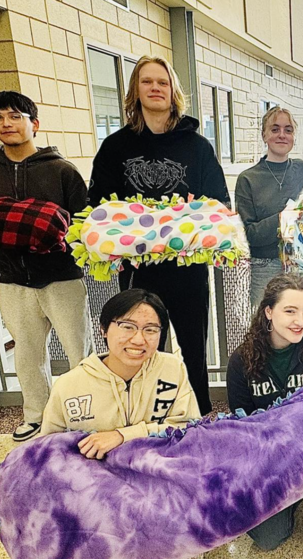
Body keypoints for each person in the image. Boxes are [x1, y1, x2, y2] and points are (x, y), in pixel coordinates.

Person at [88, 56, 230, 415]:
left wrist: (193, 221)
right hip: (139, 272)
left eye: (162, 83)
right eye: (147, 81)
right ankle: (151, 413)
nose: (155, 88)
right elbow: (98, 206)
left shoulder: (198, 147)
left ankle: (198, 410)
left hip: (188, 271)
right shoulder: (115, 147)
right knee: (143, 344)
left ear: (173, 92)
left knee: (194, 348)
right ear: (136, 90)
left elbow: (219, 204)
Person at [0, 91, 93, 442]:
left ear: (33, 124)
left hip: (62, 277)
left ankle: (88, 414)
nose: (6, 123)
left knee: (80, 352)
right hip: (12, 280)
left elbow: (85, 222)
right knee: (27, 355)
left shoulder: (62, 170)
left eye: (15, 116)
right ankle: (36, 415)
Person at [226, 273, 303, 559]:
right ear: (269, 312)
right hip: (270, 453)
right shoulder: (241, 360)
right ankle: (295, 493)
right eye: (290, 311)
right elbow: (241, 425)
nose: (300, 321)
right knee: (268, 539)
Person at [40, 288, 200, 455]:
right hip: (94, 476)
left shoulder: (172, 368)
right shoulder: (69, 385)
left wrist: (123, 435)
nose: (138, 339)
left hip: (157, 470)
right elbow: (47, 448)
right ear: (103, 329)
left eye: (150, 330)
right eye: (127, 327)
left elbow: (191, 430)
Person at [235, 107, 303, 307]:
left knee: (300, 327)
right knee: (265, 328)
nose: (282, 135)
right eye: (275, 129)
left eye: (288, 130)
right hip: (264, 265)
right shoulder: (248, 179)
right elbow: (248, 234)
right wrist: (282, 218)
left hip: (300, 262)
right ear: (264, 135)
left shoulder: (302, 170)